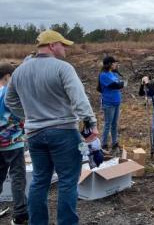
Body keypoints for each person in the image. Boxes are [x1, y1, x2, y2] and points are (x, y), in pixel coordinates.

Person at [6, 30, 98, 225]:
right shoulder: (63, 68)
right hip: (63, 131)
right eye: (62, 45)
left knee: (40, 180)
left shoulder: (20, 71)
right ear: (51, 45)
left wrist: (28, 116)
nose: (65, 48)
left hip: (34, 134)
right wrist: (90, 122)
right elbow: (78, 98)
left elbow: (9, 100)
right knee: (67, 181)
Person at [0, 63, 28, 225]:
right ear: (7, 76)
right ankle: (20, 214)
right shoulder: (8, 93)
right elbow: (19, 115)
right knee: (18, 177)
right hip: (13, 142)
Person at [98, 56, 124, 154]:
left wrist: (120, 83)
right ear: (109, 64)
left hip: (116, 101)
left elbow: (120, 82)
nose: (115, 65)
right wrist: (121, 84)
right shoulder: (103, 75)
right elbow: (115, 85)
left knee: (114, 124)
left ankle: (114, 142)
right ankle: (104, 144)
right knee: (108, 124)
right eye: (114, 63)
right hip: (109, 103)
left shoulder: (112, 73)